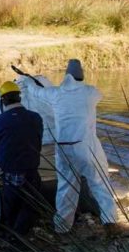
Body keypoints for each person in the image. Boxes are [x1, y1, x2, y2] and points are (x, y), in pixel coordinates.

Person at [20, 59, 118, 234]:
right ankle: (110, 221)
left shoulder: (56, 94)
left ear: (65, 76)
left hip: (64, 148)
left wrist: (28, 80)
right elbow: (98, 95)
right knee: (100, 184)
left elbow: (36, 92)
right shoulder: (90, 92)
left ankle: (62, 226)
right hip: (87, 147)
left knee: (66, 188)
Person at [0, 81, 45, 236]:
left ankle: (14, 234)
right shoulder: (36, 117)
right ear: (19, 98)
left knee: (11, 203)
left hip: (11, 170)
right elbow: (38, 138)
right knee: (30, 202)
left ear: (3, 101)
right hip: (31, 168)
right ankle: (23, 231)